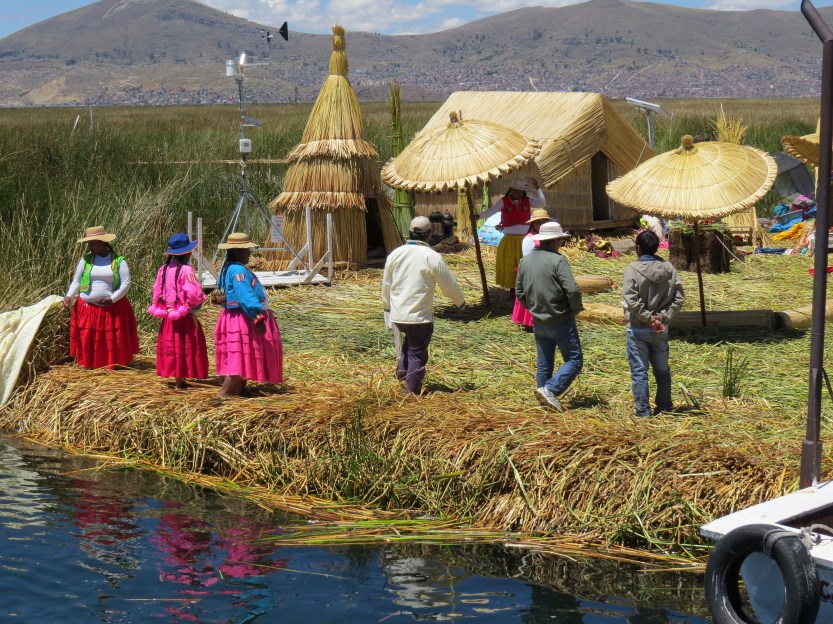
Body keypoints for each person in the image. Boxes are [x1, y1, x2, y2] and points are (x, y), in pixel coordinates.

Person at [381, 216, 467, 396]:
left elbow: (386, 285)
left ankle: (401, 373)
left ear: (410, 233)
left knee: (409, 343)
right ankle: (412, 391)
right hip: (419, 317)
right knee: (416, 351)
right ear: (429, 236)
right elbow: (448, 285)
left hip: (398, 315)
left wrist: (387, 309)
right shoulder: (431, 256)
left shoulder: (396, 254)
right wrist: (460, 302)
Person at [515, 221, 584, 412]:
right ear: (554, 241)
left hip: (538, 320)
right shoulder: (557, 260)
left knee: (545, 362)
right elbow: (572, 289)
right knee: (575, 360)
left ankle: (543, 398)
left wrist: (533, 308)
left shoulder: (526, 261)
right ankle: (551, 390)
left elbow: (519, 292)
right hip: (560, 318)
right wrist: (575, 308)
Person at [622, 230, 685, 417]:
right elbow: (679, 298)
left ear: (637, 248)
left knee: (640, 371)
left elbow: (631, 300)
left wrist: (649, 318)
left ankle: (643, 411)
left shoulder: (632, 270)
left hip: (637, 329)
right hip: (661, 329)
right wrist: (662, 317)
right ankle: (665, 405)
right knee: (662, 369)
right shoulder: (669, 269)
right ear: (657, 247)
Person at [214, 232, 283, 397]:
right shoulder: (238, 270)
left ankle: (237, 394)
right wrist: (257, 315)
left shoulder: (229, 267)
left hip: (237, 316)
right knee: (239, 361)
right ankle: (222, 395)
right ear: (237, 251)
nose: (249, 254)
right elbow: (245, 295)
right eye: (246, 251)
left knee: (246, 357)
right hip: (243, 318)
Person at [63, 225, 140, 370]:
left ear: (103, 242)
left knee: (112, 340)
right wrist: (69, 296)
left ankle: (112, 364)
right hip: (88, 308)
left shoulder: (118, 261)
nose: (90, 247)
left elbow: (126, 283)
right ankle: (90, 364)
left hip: (112, 308)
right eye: (89, 244)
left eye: (93, 243)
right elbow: (77, 280)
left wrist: (113, 298)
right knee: (89, 338)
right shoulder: (85, 260)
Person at [147, 233, 208, 388]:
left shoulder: (164, 268)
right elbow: (194, 294)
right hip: (183, 316)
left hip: (168, 315)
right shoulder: (186, 270)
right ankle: (182, 380)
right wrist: (198, 301)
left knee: (172, 346)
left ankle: (177, 378)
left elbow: (156, 291)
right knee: (184, 344)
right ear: (187, 252)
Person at [478, 177, 546, 293]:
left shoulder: (527, 200)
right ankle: (512, 291)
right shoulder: (503, 201)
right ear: (511, 189)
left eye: (520, 190)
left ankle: (524, 288)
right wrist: (478, 216)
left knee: (524, 265)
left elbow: (541, 203)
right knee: (510, 265)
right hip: (509, 240)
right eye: (515, 190)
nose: (517, 192)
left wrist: (538, 189)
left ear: (523, 192)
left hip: (524, 240)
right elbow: (491, 211)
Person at [511, 208, 552, 331]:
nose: (541, 225)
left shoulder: (546, 237)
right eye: (538, 222)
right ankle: (529, 323)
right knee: (532, 296)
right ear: (533, 224)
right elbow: (529, 258)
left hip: (544, 269)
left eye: (543, 222)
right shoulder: (529, 239)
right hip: (532, 271)